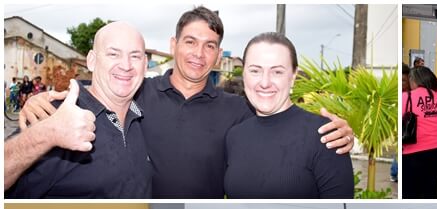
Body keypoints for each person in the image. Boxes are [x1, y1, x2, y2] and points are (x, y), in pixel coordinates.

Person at [15, 6, 355, 199]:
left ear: (219, 55)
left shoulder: (240, 110)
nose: (198, 53)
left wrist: (340, 131)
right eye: (190, 42)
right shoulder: (137, 93)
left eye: (210, 45)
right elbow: (99, 88)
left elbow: (281, 118)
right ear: (174, 43)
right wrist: (39, 102)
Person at [5, 22, 150, 197]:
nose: (126, 65)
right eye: (113, 54)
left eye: (135, 56)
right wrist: (45, 134)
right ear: (92, 61)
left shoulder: (146, 115)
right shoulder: (55, 115)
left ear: (145, 64)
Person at [224, 33, 353, 198]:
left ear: (293, 77)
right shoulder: (235, 136)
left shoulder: (327, 135)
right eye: (255, 70)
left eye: (277, 72)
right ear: (243, 74)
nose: (265, 82)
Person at [402, 66, 437, 199]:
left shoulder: (406, 97)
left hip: (412, 151)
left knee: (409, 191)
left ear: (414, 80)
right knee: (430, 188)